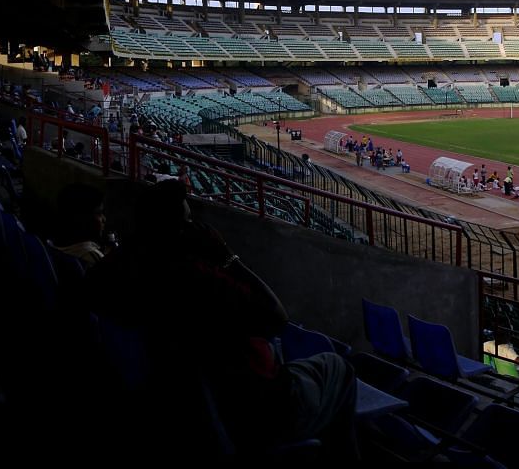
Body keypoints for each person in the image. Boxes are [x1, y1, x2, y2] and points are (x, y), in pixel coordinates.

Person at [82, 180, 358, 457]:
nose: (195, 227)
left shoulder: (118, 270)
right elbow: (276, 318)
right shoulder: (195, 278)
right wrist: (226, 256)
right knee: (339, 366)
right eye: (189, 221)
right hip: (254, 408)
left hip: (185, 404)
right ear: (179, 231)